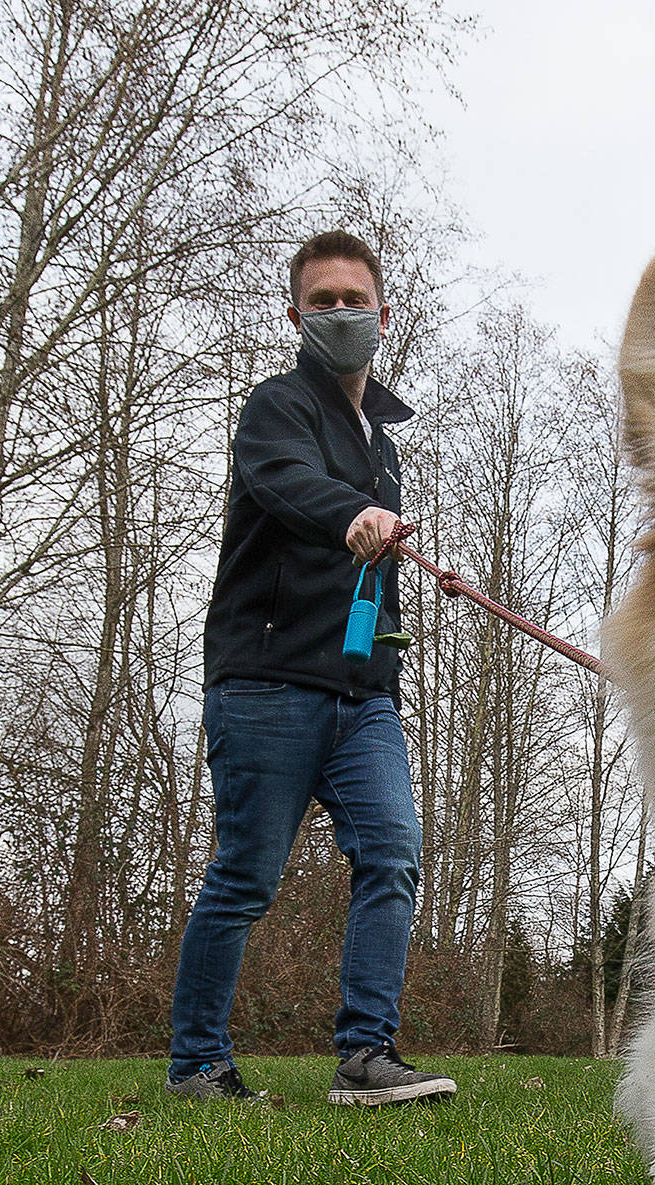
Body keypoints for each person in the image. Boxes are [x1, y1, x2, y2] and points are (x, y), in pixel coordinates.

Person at [166, 230, 456, 1108]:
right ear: (296, 315)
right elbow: (288, 484)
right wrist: (356, 513)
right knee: (246, 875)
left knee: (395, 853)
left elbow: (371, 576)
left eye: (353, 299)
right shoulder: (275, 409)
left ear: (383, 313)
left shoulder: (384, 441)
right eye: (322, 301)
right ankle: (198, 1063)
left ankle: (367, 1054)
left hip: (362, 695)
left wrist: (389, 662)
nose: (340, 313)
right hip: (266, 681)